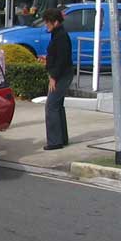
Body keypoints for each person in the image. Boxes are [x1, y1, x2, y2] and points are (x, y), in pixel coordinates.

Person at [40, 8, 73, 150]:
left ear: (55, 22)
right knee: (58, 106)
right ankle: (62, 138)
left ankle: (55, 141)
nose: (46, 25)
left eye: (48, 23)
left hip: (62, 75)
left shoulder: (61, 36)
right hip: (62, 73)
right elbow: (56, 55)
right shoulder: (57, 34)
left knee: (51, 106)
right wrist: (47, 59)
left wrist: (53, 76)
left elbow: (61, 60)